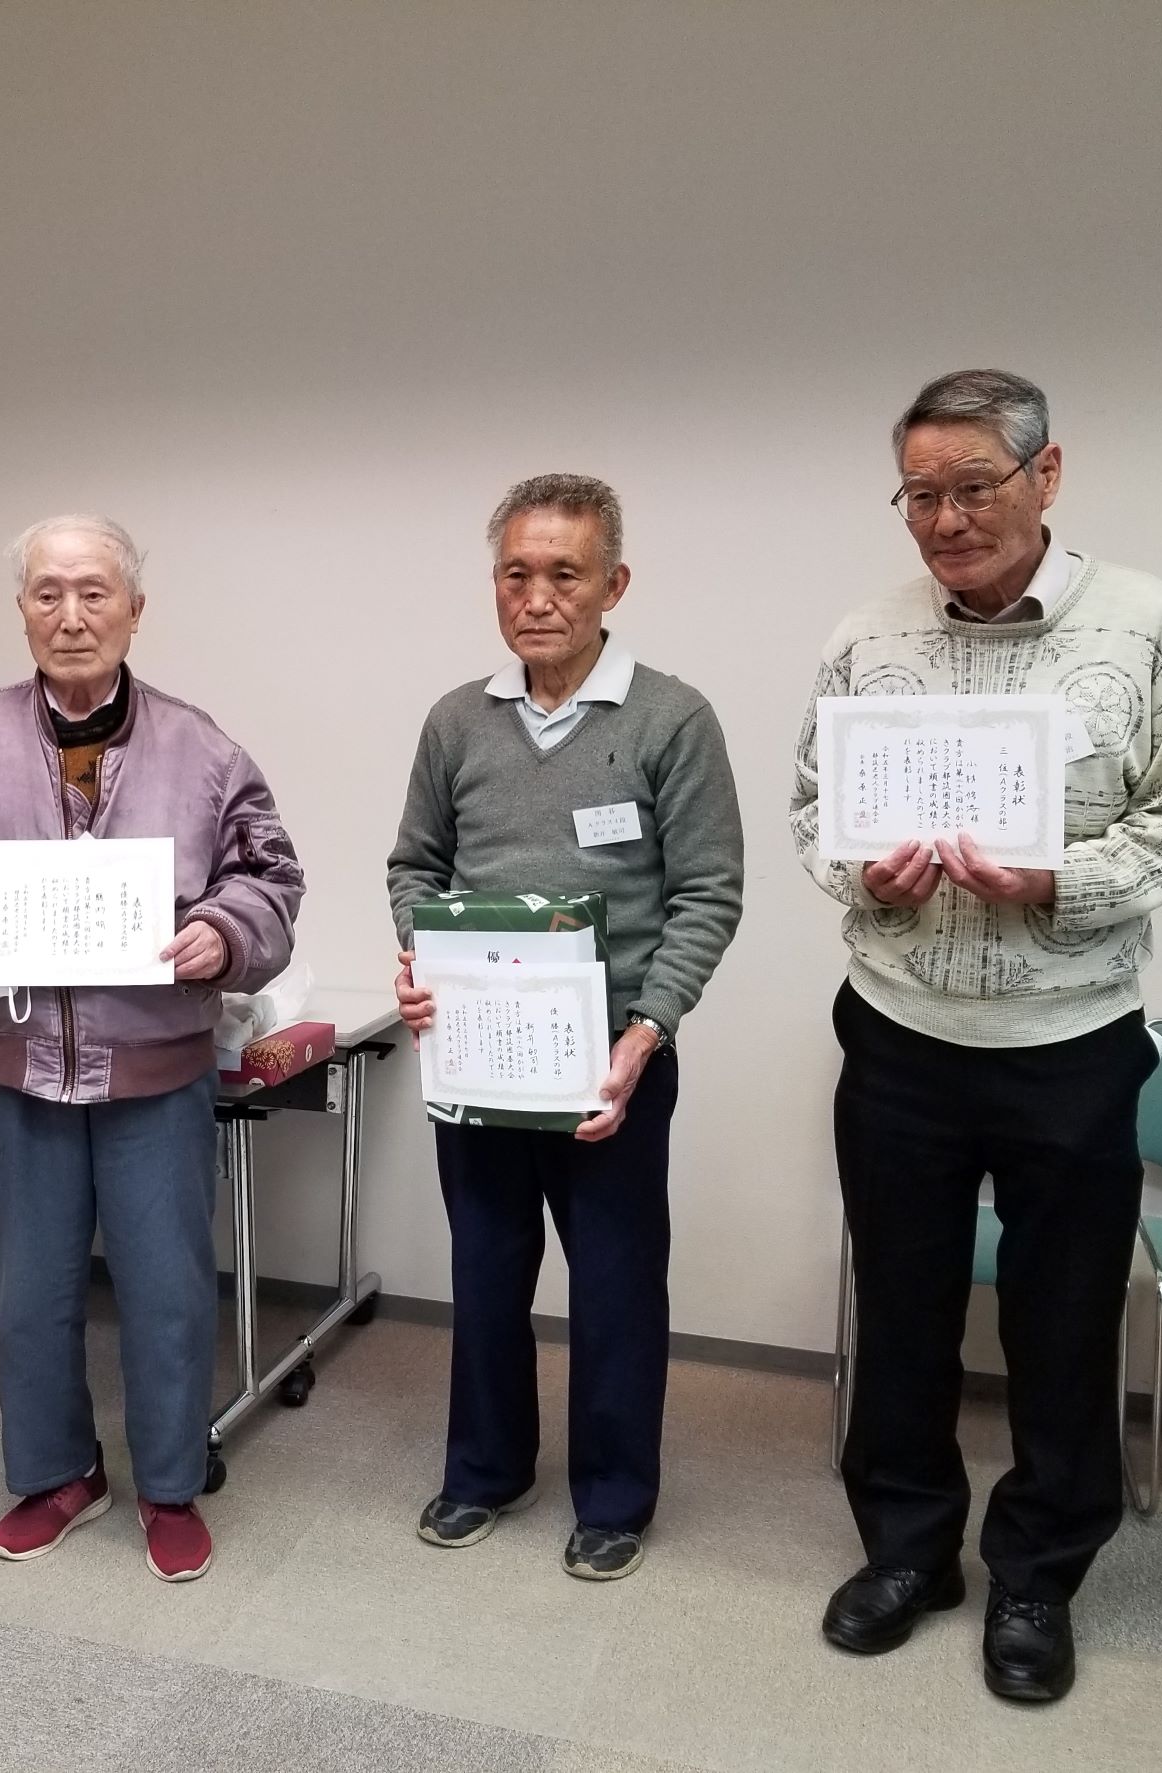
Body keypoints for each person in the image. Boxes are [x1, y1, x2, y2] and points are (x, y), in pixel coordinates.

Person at [789, 370, 1162, 1701]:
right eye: (920, 494)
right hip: (901, 1033)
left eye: (973, 486)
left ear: (1047, 476)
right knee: (903, 1309)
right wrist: (865, 877)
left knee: (1063, 1320)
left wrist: (1060, 880)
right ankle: (908, 1551)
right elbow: (814, 807)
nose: (946, 519)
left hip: (1072, 1040)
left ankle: (1038, 1573)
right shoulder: (867, 638)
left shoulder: (1147, 624)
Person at [0, 514, 304, 1583]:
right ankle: (58, 1474)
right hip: (17, 1066)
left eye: (94, 592)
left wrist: (227, 931)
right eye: (48, 593)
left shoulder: (203, 750)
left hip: (157, 1067)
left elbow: (271, 876)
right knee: (31, 1289)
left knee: (166, 1288)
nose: (71, 615)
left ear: (135, 611)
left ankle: (170, 1483)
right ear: (23, 611)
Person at [386, 473, 745, 1581]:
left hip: (610, 1063)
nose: (537, 597)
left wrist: (648, 1032)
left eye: (564, 574)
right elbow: (414, 868)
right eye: (516, 574)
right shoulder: (458, 720)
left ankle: (615, 1497)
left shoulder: (671, 718)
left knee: (617, 1283)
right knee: (488, 1270)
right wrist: (421, 960)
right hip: (480, 1058)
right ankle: (485, 1470)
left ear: (613, 585)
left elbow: (708, 894)